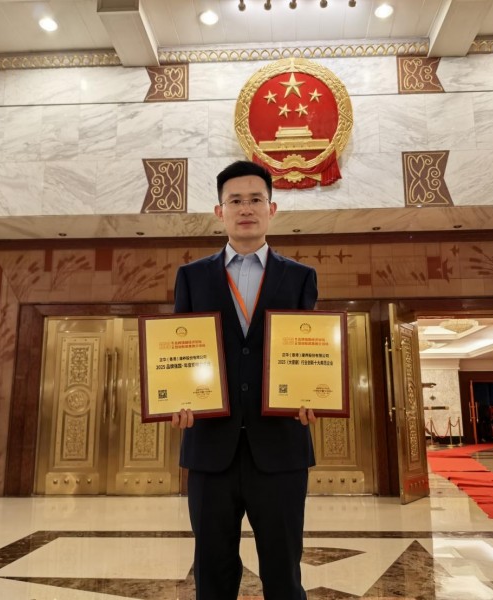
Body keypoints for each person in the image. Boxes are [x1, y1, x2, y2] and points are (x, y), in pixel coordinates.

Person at [171, 160, 318, 599]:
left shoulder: (300, 277)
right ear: (220, 211)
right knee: (212, 573)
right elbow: (181, 351)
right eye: (235, 200)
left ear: (272, 209)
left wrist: (312, 392)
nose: (246, 208)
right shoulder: (192, 277)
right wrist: (178, 397)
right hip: (210, 448)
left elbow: (310, 352)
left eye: (256, 199)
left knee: (284, 572)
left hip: (280, 447)